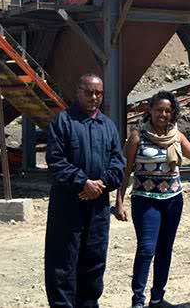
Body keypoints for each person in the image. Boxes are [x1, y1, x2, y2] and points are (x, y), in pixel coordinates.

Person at [114, 91, 190, 308]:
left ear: (172, 113)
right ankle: (137, 301)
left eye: (167, 111)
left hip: (173, 201)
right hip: (145, 200)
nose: (163, 114)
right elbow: (125, 172)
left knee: (165, 248)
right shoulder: (137, 137)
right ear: (150, 111)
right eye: (158, 110)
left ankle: (157, 299)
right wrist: (119, 202)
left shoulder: (176, 136)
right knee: (147, 249)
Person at [44, 73, 125, 308]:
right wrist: (82, 183)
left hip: (97, 207)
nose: (93, 97)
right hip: (68, 204)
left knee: (94, 258)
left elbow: (118, 164)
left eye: (98, 93)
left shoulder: (108, 126)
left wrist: (99, 186)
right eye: (89, 92)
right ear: (78, 92)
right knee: (63, 260)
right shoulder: (62, 122)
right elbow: (56, 161)